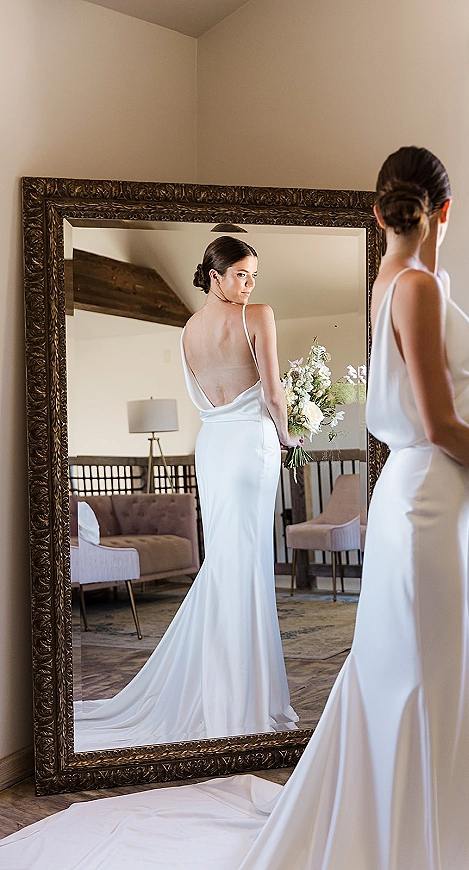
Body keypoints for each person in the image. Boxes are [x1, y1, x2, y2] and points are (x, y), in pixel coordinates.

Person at [3, 149, 469, 868]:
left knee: (395, 669)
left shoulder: (388, 280)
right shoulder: (418, 285)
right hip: (421, 496)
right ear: (445, 212)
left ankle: (394, 831)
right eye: (240, 273)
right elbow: (437, 425)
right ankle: (404, 840)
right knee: (414, 672)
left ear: (377, 212)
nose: (248, 284)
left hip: (373, 486)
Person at [74, 236, 300, 751]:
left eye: (254, 278)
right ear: (215, 275)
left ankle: (222, 689)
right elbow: (271, 390)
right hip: (250, 446)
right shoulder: (259, 316)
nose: (249, 286)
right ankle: (241, 698)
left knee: (229, 560)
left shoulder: (187, 331)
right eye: (242, 275)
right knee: (244, 562)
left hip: (214, 446)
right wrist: (290, 435)